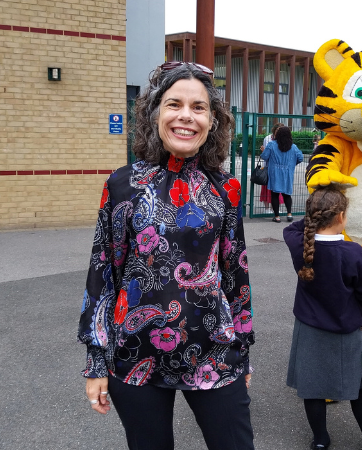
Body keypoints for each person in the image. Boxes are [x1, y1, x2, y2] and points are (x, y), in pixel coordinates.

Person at [77, 61, 255, 450]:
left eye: (199, 107)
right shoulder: (123, 184)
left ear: (213, 120)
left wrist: (242, 352)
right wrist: (96, 361)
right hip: (134, 351)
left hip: (215, 352)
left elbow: (235, 274)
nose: (186, 117)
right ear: (155, 112)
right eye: (174, 104)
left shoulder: (226, 189)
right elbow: (103, 273)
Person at [283, 185, 362, 450]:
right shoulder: (353, 253)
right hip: (346, 330)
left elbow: (292, 228)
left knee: (312, 388)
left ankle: (320, 441)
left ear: (311, 216)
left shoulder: (299, 244)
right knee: (359, 387)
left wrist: (313, 212)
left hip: (309, 329)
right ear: (341, 217)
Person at [260, 126, 304, 223]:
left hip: (274, 173)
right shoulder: (293, 147)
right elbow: (300, 158)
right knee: (287, 194)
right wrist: (292, 164)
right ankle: (289, 214)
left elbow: (265, 156)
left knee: (274, 194)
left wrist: (263, 152)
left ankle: (277, 216)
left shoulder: (271, 145)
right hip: (288, 173)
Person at [259, 122, 285, 208]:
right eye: (278, 130)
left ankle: (275, 208)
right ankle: (267, 208)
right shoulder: (268, 139)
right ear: (274, 130)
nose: (279, 132)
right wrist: (265, 152)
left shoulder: (283, 140)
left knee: (278, 189)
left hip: (279, 168)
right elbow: (266, 155)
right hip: (268, 167)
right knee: (267, 188)